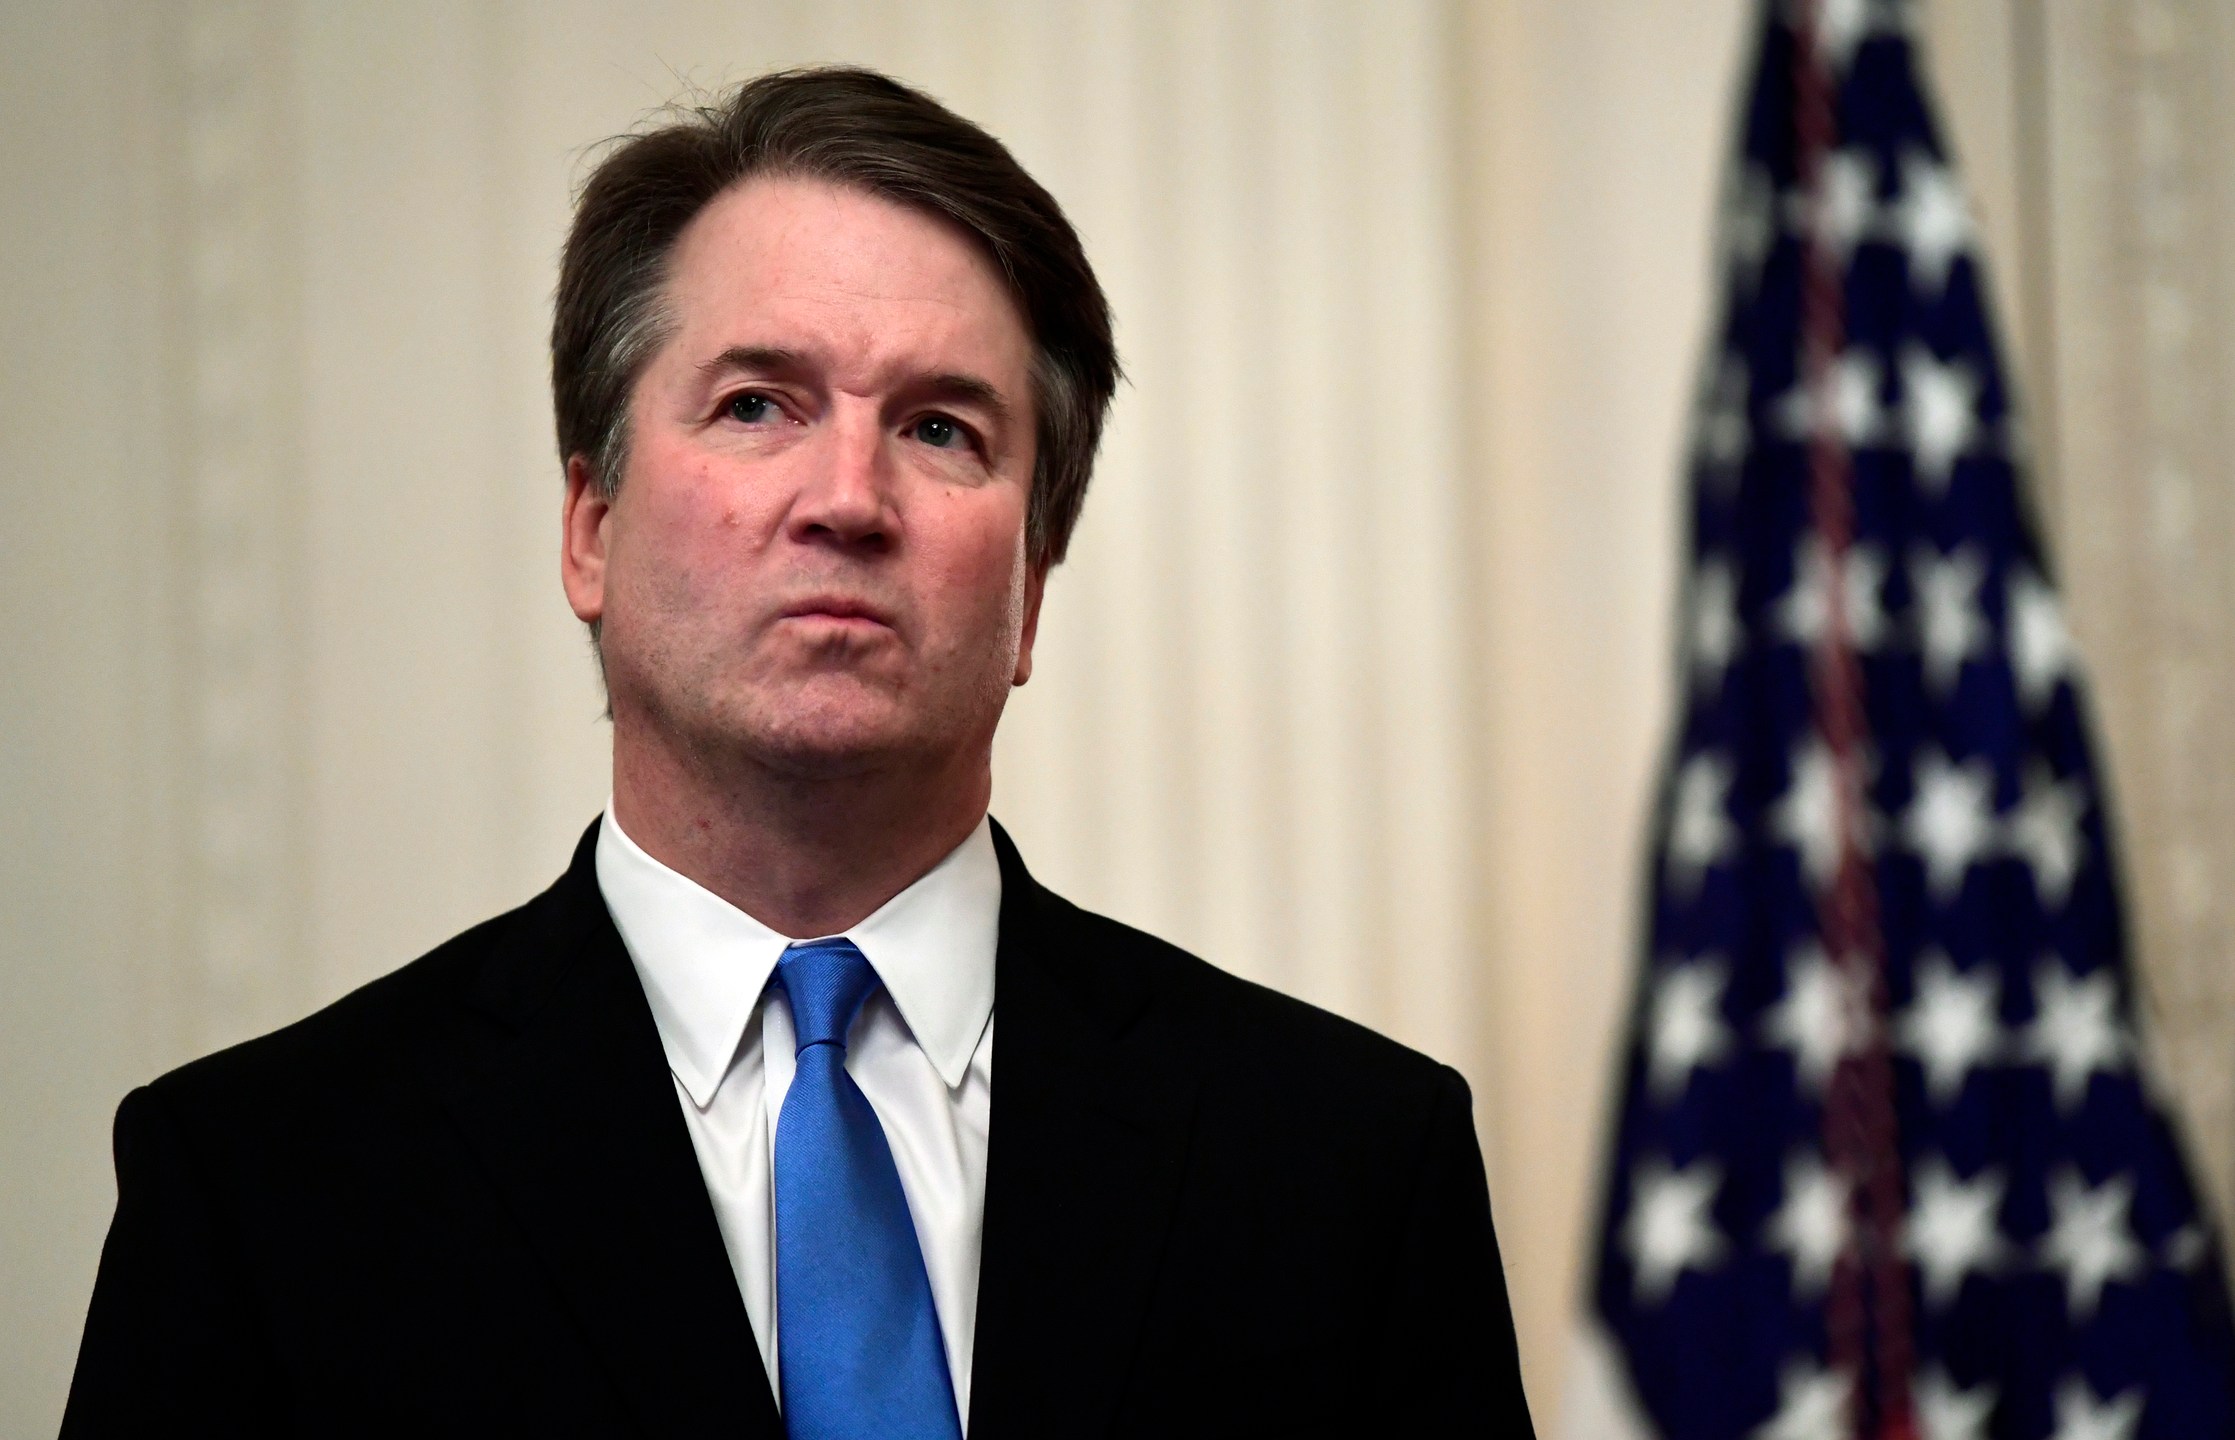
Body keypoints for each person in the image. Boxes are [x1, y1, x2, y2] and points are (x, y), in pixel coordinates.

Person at [63, 66, 1533, 1438]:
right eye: (758, 404)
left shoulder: (1345, 1167)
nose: (848, 497)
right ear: (590, 526)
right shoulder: (263, 1190)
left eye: (943, 429)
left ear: (1030, 582)